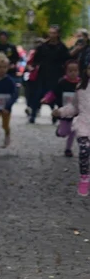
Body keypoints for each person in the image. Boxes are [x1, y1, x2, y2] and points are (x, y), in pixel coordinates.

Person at [52, 62, 90, 196]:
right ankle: (84, 178)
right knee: (84, 152)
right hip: (84, 125)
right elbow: (74, 107)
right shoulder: (81, 87)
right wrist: (61, 112)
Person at [27, 26, 71, 124]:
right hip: (43, 74)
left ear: (58, 34)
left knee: (56, 96)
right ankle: (33, 115)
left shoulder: (62, 47)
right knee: (38, 95)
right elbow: (36, 60)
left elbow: (67, 60)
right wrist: (33, 67)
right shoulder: (43, 47)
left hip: (57, 75)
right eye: (50, 33)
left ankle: (57, 115)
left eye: (54, 33)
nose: (52, 35)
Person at [42, 60, 82, 156]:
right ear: (66, 71)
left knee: (73, 131)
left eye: (75, 70)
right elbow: (53, 93)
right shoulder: (62, 82)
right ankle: (60, 131)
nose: (73, 73)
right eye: (70, 71)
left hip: (76, 113)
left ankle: (68, 149)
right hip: (64, 112)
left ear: (79, 71)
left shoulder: (81, 84)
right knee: (64, 133)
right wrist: (46, 98)